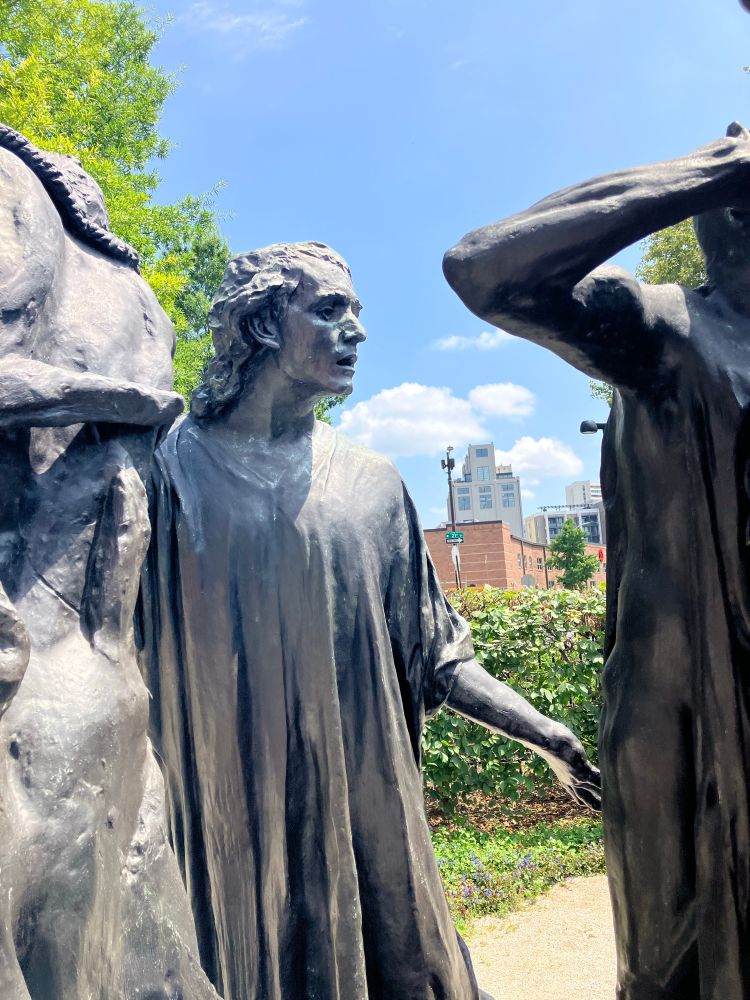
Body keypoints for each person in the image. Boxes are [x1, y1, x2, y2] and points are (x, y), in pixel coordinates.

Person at [139, 240, 600, 1000]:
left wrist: (544, 734)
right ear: (260, 324)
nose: (356, 331)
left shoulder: (373, 486)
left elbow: (439, 657)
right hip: (225, 827)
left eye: (356, 312)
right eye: (329, 310)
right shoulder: (166, 471)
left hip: (365, 824)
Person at [442, 123, 750, 1000]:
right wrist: (714, 168)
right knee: (668, 966)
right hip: (683, 718)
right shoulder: (667, 329)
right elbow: (485, 270)